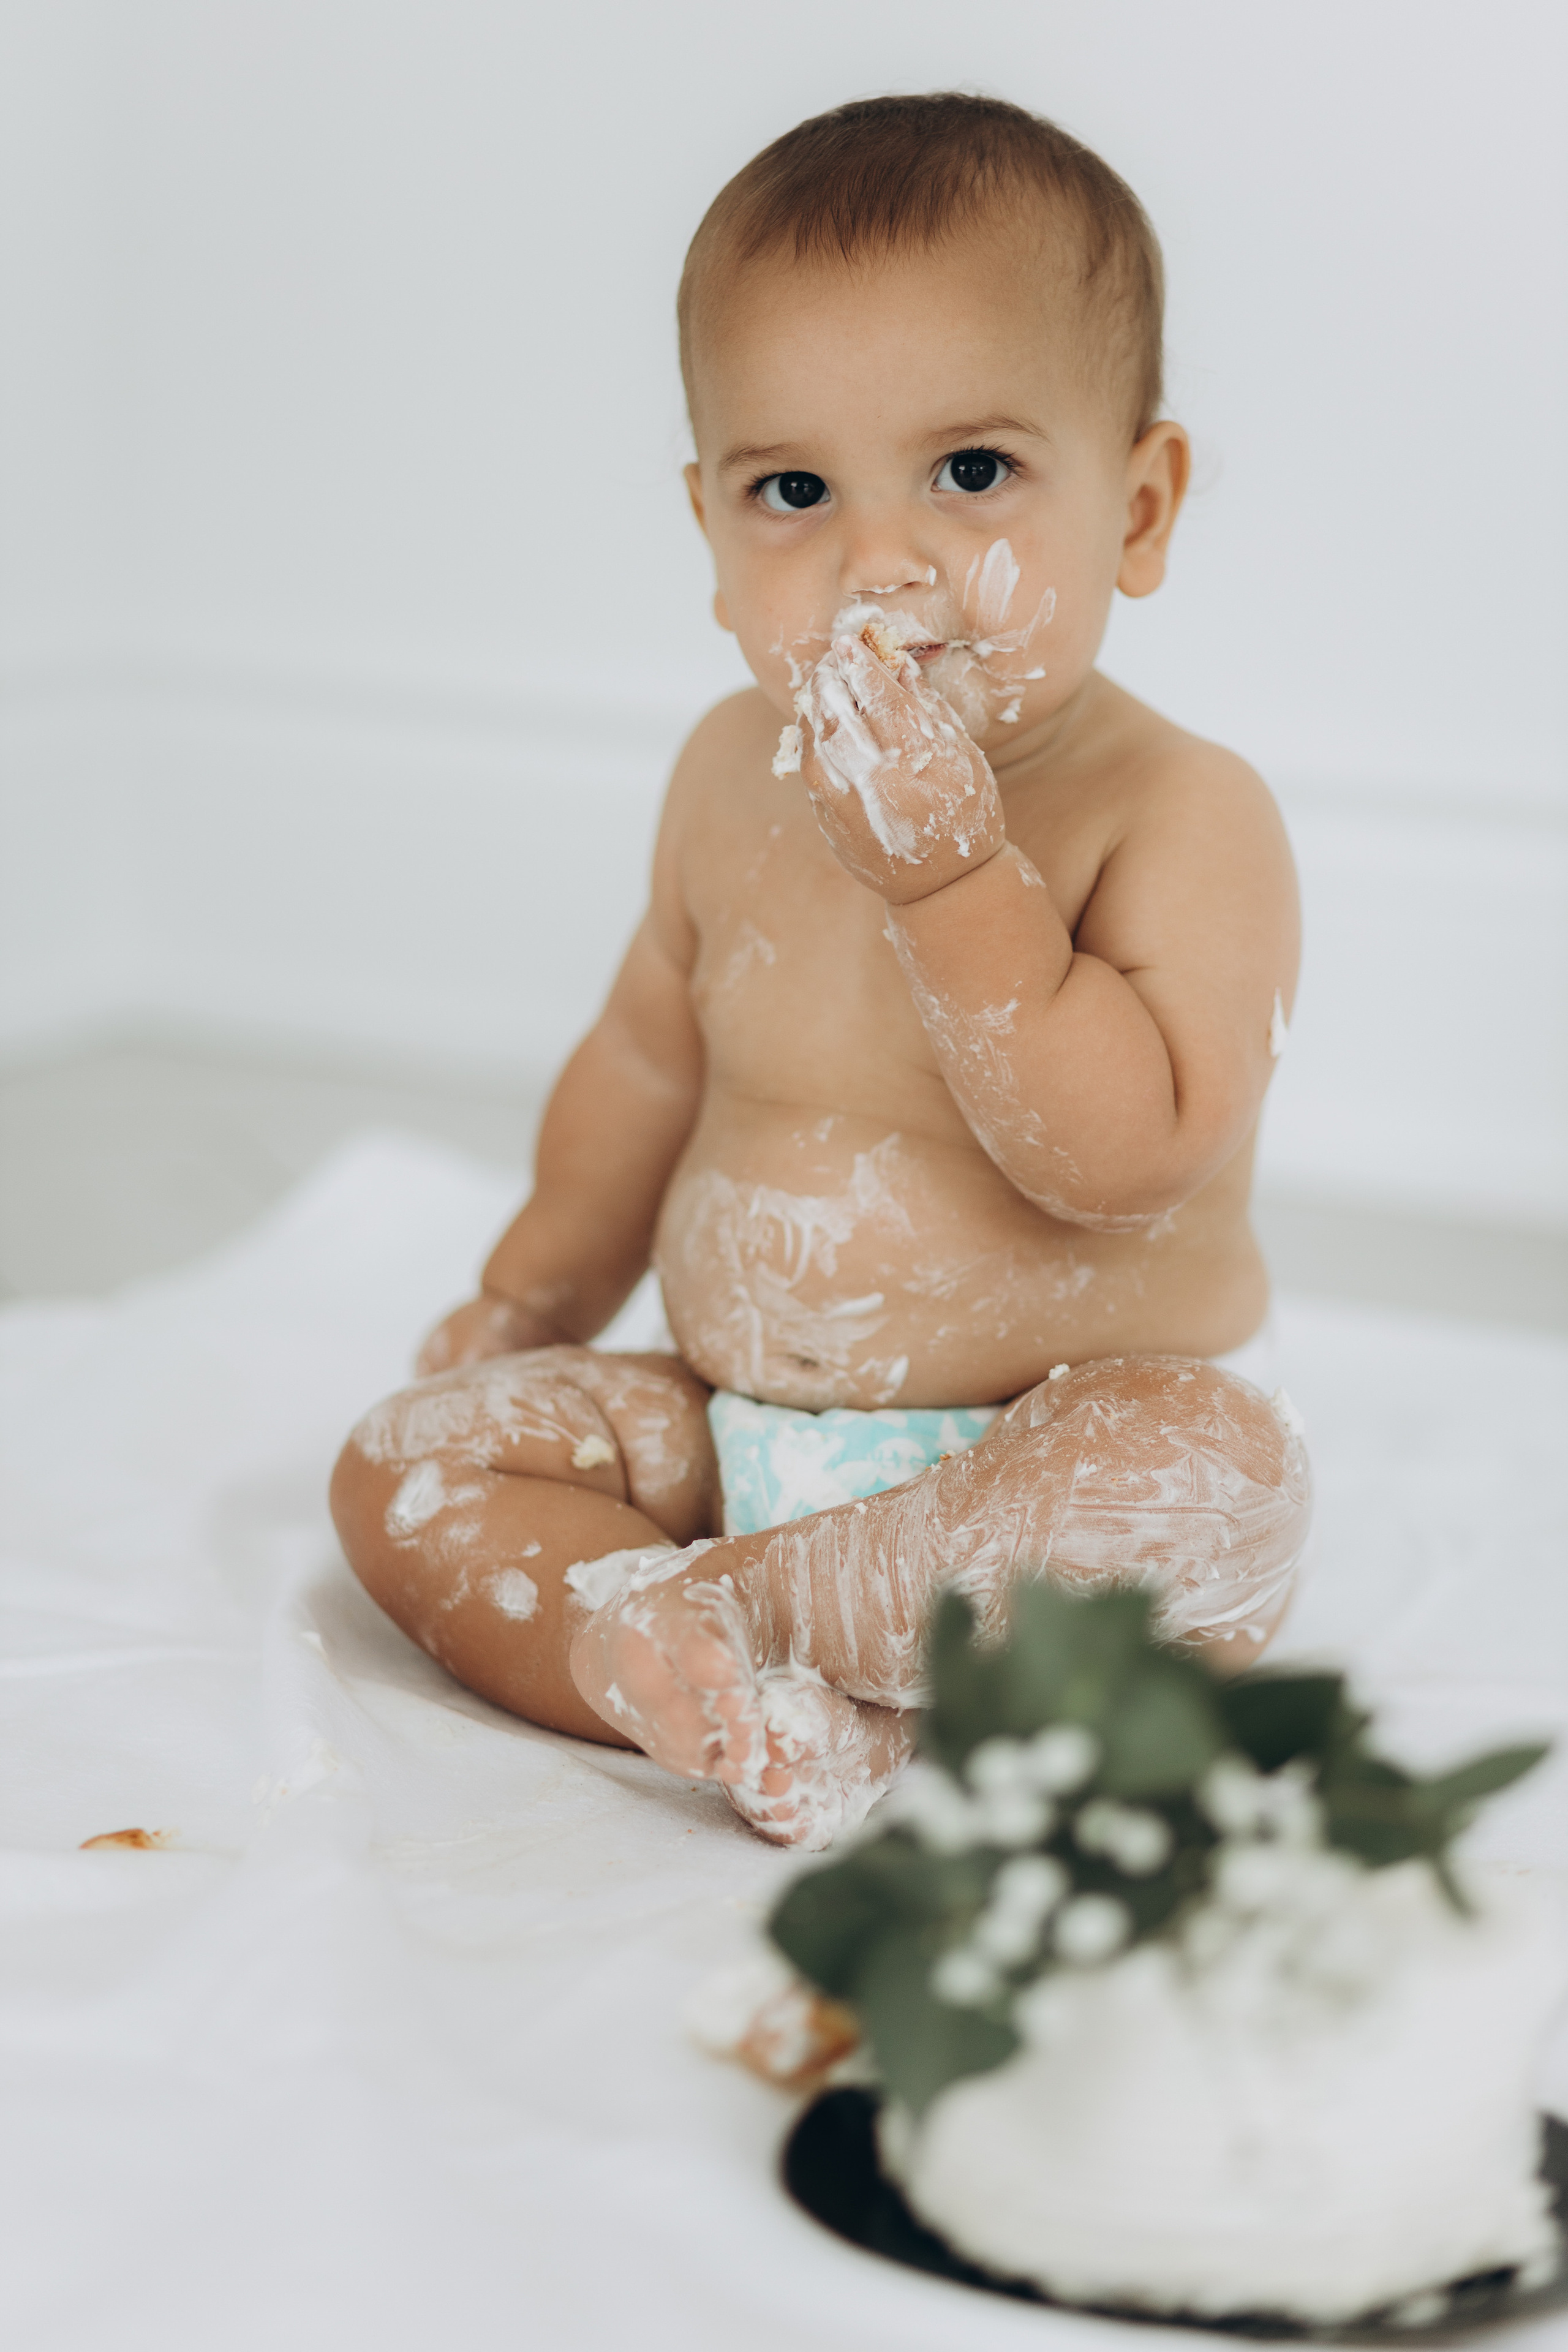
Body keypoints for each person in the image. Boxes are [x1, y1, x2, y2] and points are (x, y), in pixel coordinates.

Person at [330, 93, 1310, 1850]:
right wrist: (532, 1302)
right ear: (710, 537)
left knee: (1211, 1490)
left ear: (1140, 508)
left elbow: (1124, 1156)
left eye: (973, 471)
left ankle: (747, 1615)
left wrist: (952, 883)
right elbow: (641, 1068)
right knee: (408, 1466)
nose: (881, 564)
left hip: (1040, 1447)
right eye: (792, 491)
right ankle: (678, 1674)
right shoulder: (724, 778)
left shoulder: (1179, 812)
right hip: (738, 1425)